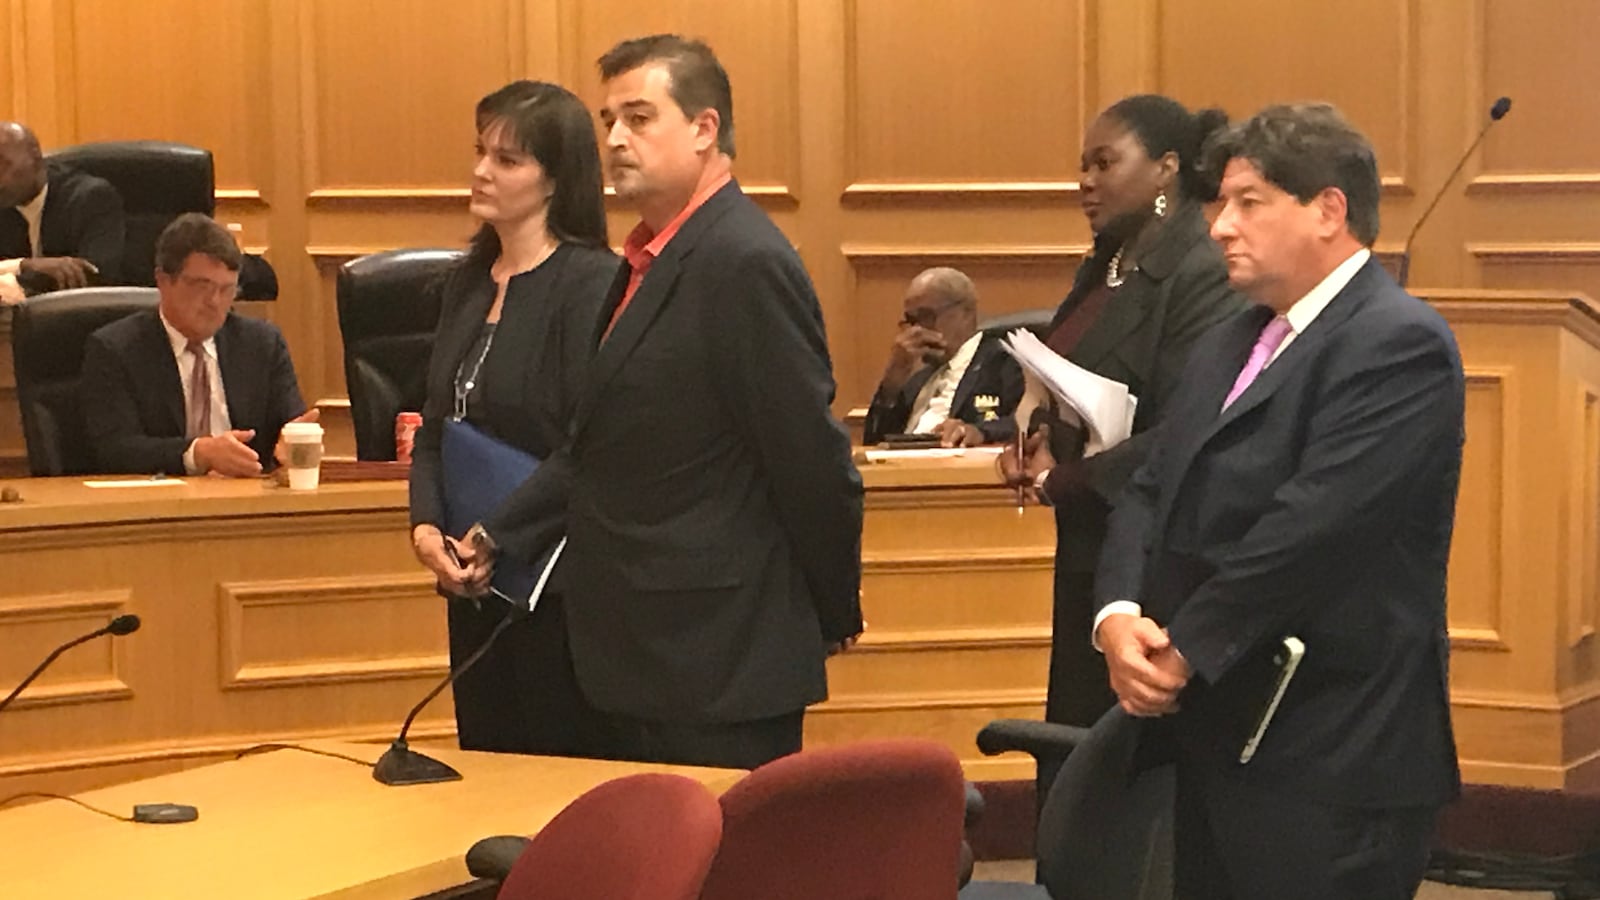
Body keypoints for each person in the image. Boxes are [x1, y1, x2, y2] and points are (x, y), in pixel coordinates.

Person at [464, 34, 864, 770]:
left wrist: (831, 607)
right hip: (643, 654)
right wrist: (499, 532)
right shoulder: (646, 259)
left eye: (639, 118)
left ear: (705, 129)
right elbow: (600, 442)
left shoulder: (744, 261)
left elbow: (809, 458)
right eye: (608, 119)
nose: (614, 139)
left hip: (716, 660)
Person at [1094, 103, 1464, 899]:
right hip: (1217, 736)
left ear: (1328, 209)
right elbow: (1152, 483)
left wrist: (1182, 648)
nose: (1222, 226)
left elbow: (1311, 530)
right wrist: (1118, 613)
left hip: (1331, 755)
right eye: (1221, 203)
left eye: (1249, 202)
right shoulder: (1234, 338)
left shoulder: (1398, 344)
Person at [1001, 95, 1245, 741]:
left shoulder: (1201, 271)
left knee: (1124, 758)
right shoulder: (1108, 263)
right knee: (1078, 748)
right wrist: (1034, 441)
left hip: (1153, 553)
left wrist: (1068, 480)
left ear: (1165, 168)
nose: (1086, 180)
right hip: (1090, 542)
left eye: (1105, 163)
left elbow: (1189, 427)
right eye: (1083, 165)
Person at [407, 80, 619, 755]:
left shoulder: (592, 282)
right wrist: (426, 531)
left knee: (553, 779)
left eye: (507, 160)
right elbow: (435, 427)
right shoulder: (468, 280)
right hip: (470, 578)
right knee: (486, 769)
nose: (481, 171)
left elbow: (587, 445)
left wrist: (495, 535)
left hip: (554, 581)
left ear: (556, 180)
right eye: (480, 151)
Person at [81, 213, 310, 476]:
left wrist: (295, 441)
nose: (214, 302)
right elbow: (115, 449)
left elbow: (290, 425)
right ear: (164, 281)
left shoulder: (262, 344)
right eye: (203, 286)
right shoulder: (115, 349)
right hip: (159, 505)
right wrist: (198, 453)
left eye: (227, 289)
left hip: (246, 502)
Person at [862, 266, 1023, 447]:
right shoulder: (917, 378)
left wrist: (978, 431)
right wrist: (891, 384)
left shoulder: (1004, 361)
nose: (917, 330)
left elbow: (1028, 424)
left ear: (967, 312)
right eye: (911, 321)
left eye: (926, 316)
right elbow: (873, 442)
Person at [0, 121, 125, 302]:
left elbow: (94, 275)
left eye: (3, 164)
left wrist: (11, 278)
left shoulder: (90, 198)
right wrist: (26, 265)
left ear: (34, 155)